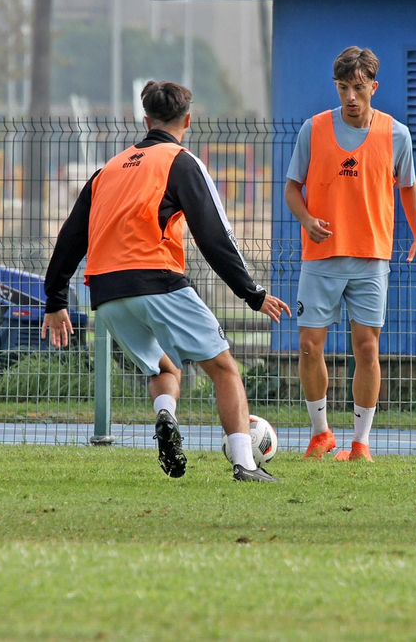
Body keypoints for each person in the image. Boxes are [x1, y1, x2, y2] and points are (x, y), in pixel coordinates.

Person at [43, 81, 292, 482]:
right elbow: (214, 236)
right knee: (225, 368)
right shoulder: (180, 161)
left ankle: (165, 415)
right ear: (187, 120)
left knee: (165, 366)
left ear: (146, 120)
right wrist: (252, 293)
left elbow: (70, 236)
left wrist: (55, 301)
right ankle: (245, 464)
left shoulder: (106, 170)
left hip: (106, 293)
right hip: (156, 280)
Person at [284, 46, 416, 463]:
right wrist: (308, 218)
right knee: (310, 347)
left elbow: (408, 188)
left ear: (373, 87)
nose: (350, 96)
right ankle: (321, 434)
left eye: (358, 87)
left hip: (371, 259)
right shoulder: (313, 129)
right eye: (343, 87)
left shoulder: (396, 133)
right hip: (320, 257)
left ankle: (361, 444)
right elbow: (292, 188)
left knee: (367, 349)